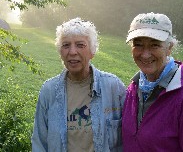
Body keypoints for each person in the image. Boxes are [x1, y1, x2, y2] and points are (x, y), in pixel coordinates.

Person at [32, 17, 126, 152]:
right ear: (60, 52)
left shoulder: (114, 87)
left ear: (92, 51)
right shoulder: (49, 91)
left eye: (80, 45)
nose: (72, 52)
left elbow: (129, 137)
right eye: (66, 45)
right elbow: (39, 143)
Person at [122, 12, 183, 151]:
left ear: (169, 48)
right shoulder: (134, 88)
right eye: (138, 45)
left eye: (154, 45)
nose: (145, 54)